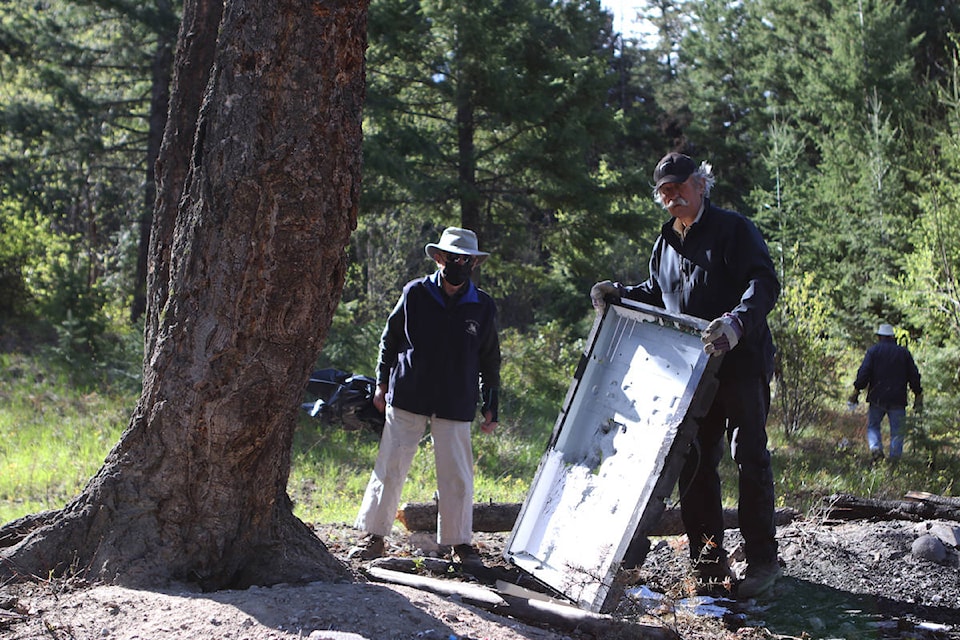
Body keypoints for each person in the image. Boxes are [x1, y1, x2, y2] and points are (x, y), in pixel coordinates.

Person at [590, 152, 782, 599]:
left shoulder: (735, 230)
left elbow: (764, 283)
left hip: (740, 362)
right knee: (694, 465)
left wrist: (736, 322)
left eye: (678, 186)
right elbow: (658, 294)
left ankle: (762, 563)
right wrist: (618, 295)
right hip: (692, 374)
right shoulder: (665, 244)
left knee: (749, 457)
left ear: (700, 184)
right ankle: (710, 568)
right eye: (664, 191)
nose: (671, 196)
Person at [348, 227, 501, 564]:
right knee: (390, 466)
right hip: (409, 394)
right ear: (438, 257)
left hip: (456, 400)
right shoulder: (415, 293)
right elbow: (390, 340)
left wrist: (491, 403)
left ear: (474, 263)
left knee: (457, 475)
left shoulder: (483, 306)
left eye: (465, 259)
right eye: (451, 257)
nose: (458, 263)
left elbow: (490, 358)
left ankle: (461, 544)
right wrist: (381, 382)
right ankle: (373, 537)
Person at [847, 323, 922, 465]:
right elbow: (914, 375)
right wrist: (918, 393)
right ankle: (894, 461)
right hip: (898, 399)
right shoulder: (904, 353)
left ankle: (876, 450)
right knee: (898, 431)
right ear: (893, 337)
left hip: (877, 398)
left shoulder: (873, 351)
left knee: (873, 426)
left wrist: (857, 391)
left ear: (879, 336)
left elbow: (864, 373)